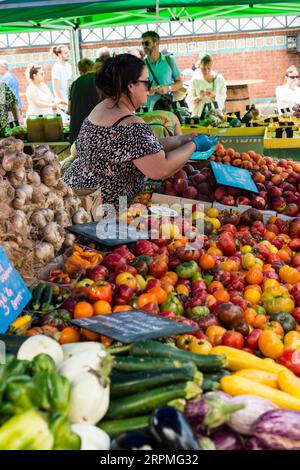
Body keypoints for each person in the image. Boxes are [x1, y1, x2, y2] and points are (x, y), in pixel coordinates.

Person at [63, 54, 213, 209]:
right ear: (131, 86)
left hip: (78, 198)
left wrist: (182, 140)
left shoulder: (102, 107)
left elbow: (141, 149)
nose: (150, 88)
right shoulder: (130, 124)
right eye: (146, 82)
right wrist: (194, 145)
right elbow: (161, 168)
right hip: (103, 210)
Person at [68, 48, 111, 144]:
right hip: (95, 137)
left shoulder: (75, 83)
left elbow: (69, 110)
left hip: (76, 136)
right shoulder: (102, 82)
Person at [141, 31, 183, 110]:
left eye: (146, 43)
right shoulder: (141, 65)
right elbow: (137, 87)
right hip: (149, 108)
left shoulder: (169, 61)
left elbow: (180, 82)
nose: (144, 46)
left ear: (155, 43)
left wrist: (168, 88)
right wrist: (148, 91)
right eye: (142, 44)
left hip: (167, 106)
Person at [187, 53, 227, 118]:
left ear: (212, 66)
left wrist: (214, 96)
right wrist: (199, 97)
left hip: (217, 116)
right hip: (200, 116)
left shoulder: (219, 79)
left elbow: (223, 96)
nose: (206, 71)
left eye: (209, 68)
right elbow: (189, 100)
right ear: (199, 66)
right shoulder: (195, 80)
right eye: (203, 69)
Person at [51, 45, 72, 121]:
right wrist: (62, 101)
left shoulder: (69, 66)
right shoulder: (56, 67)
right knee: (65, 122)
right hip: (61, 100)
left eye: (68, 52)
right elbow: (55, 87)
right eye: (66, 53)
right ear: (59, 55)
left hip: (68, 98)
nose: (68, 54)